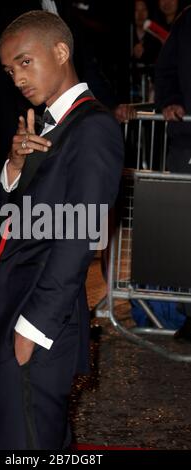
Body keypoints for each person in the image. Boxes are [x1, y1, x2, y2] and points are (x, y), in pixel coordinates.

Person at [0, 10, 124, 450]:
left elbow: (81, 234)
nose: (17, 79)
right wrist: (15, 170)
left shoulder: (93, 127)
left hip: (41, 322)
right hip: (22, 314)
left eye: (25, 62)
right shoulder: (49, 129)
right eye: (10, 70)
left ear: (61, 51)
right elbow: (5, 234)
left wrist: (33, 328)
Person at [155, 6, 191, 340]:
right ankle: (188, 311)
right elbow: (164, 71)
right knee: (184, 232)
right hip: (186, 143)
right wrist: (169, 102)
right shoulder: (186, 22)